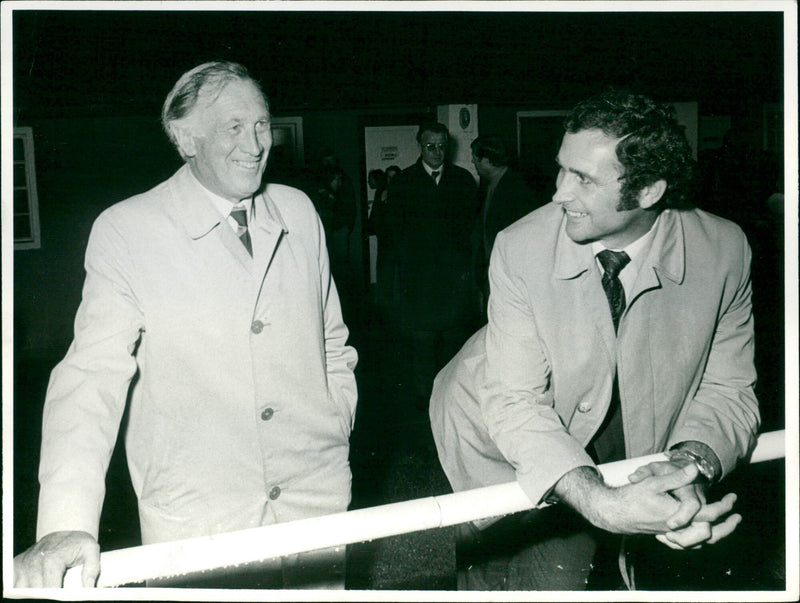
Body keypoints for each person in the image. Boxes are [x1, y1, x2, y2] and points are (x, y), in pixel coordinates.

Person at [14, 61, 358, 589]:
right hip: (200, 520)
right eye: (234, 127)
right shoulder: (128, 230)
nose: (255, 144)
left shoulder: (299, 212)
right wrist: (64, 523)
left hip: (315, 500)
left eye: (261, 124)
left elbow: (332, 341)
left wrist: (336, 419)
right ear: (185, 139)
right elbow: (90, 377)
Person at [430, 90, 760, 590]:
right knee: (519, 572)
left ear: (648, 190)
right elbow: (515, 401)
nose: (559, 193)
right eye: (561, 169)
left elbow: (729, 389)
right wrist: (600, 503)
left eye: (582, 178)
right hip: (499, 423)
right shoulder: (519, 246)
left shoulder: (725, 249)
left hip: (623, 421)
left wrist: (686, 468)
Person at [386, 122, 479, 410]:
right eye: (430, 147)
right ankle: (425, 403)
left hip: (454, 282)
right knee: (423, 346)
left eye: (441, 146)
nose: (437, 152)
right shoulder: (403, 182)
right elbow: (393, 237)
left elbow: (472, 232)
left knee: (455, 346)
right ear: (419, 146)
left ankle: (452, 403)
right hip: (419, 283)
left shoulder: (463, 180)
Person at [470, 135, 546, 315]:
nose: (472, 161)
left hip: (511, 277)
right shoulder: (489, 187)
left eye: (475, 157)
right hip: (494, 273)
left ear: (487, 160)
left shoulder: (517, 189)